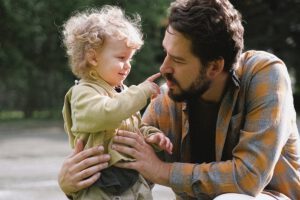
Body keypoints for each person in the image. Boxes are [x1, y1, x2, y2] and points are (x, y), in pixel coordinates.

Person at [58, 0, 300, 199]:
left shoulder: (264, 73)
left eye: (179, 60)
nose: (164, 68)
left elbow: (248, 179)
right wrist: (73, 183)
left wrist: (162, 170)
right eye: (166, 53)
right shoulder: (169, 98)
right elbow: (132, 167)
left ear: (214, 66)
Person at [61, 5, 173, 200]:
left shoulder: (123, 93)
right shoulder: (83, 93)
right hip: (99, 183)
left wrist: (152, 136)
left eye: (130, 59)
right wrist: (142, 92)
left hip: (130, 179)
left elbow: (134, 128)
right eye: (121, 58)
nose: (128, 65)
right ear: (93, 57)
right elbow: (108, 114)